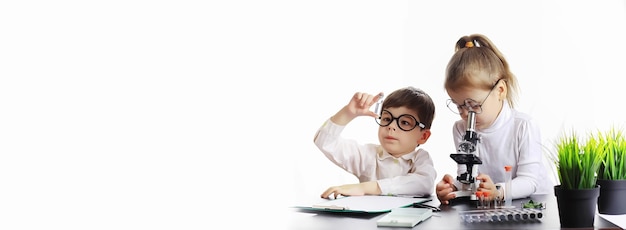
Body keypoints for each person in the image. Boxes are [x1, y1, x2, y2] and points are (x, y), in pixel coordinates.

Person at [435, 34, 553, 205]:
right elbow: (468, 179)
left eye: (474, 105)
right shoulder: (460, 129)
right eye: (458, 106)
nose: (466, 114)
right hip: (494, 207)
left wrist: (498, 191)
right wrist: (453, 188)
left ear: (500, 91)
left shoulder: (524, 127)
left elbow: (530, 181)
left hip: (534, 205)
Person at [313, 86, 437, 199]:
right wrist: (348, 113)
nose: (391, 126)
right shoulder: (367, 155)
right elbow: (324, 142)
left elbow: (425, 184)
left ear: (423, 136)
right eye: (387, 119)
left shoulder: (420, 158)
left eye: (404, 122)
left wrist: (365, 188)